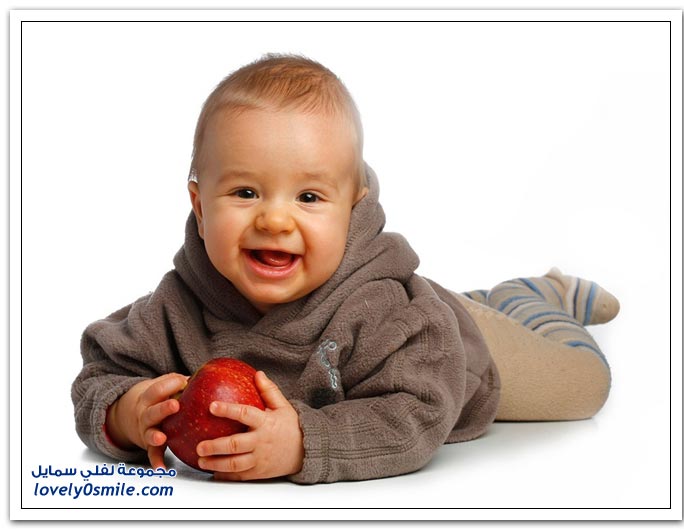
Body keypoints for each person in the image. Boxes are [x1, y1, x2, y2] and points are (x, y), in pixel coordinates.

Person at [72, 54, 619, 484]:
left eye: (309, 197)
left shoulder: (382, 310)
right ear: (199, 205)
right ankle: (495, 296)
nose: (274, 219)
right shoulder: (177, 305)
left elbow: (419, 414)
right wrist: (124, 414)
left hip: (460, 350)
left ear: (352, 208)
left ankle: (533, 299)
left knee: (582, 387)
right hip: (425, 317)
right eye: (245, 192)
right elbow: (99, 373)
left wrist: (306, 443)